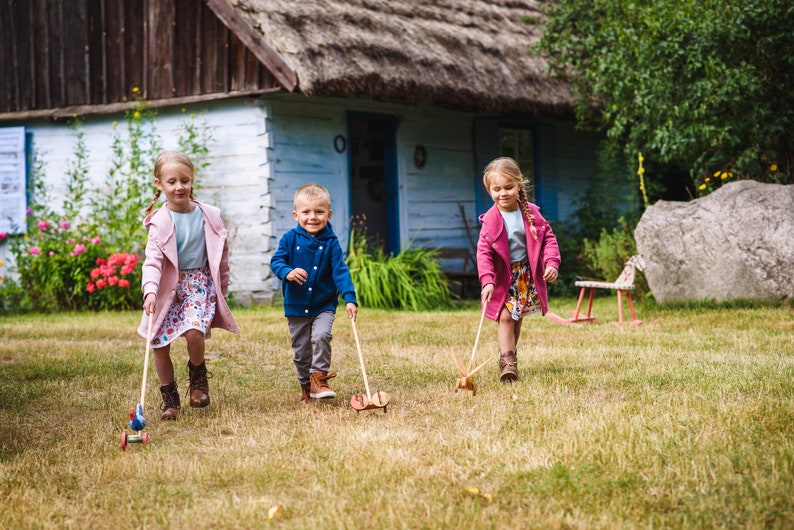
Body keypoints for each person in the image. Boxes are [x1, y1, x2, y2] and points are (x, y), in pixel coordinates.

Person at [137, 151, 240, 421]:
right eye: (171, 182)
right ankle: (169, 397)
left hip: (197, 285)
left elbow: (221, 257)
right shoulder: (159, 222)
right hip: (167, 289)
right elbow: (152, 261)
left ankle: (198, 380)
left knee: (195, 332)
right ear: (159, 184)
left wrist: (222, 291)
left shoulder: (209, 215)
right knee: (159, 344)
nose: (179, 187)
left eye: (184, 180)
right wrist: (149, 290)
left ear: (192, 181)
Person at [270, 183, 358, 405]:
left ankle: (319, 377)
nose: (313, 217)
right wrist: (287, 272)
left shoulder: (331, 242)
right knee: (301, 352)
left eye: (319, 212)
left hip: (323, 304)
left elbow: (340, 271)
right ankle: (305, 387)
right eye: (306, 212)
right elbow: (277, 261)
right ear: (295, 215)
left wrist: (349, 298)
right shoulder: (290, 239)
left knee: (321, 336)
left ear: (328, 214)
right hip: (297, 305)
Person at [476, 157, 560, 382]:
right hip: (504, 276)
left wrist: (551, 262)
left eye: (508, 187)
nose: (503, 193)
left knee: (516, 317)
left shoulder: (530, 212)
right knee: (505, 317)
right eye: (496, 189)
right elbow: (483, 253)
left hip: (525, 274)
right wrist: (487, 280)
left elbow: (548, 239)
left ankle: (509, 354)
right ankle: (508, 361)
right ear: (489, 190)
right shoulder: (491, 220)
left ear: (519, 185)